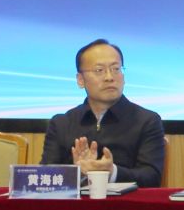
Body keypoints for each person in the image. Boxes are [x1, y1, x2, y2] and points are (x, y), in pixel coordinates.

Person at [40, 38, 164, 187]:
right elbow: (43, 177)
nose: (109, 77)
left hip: (126, 201)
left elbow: (152, 177)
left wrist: (112, 172)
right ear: (80, 80)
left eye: (116, 69)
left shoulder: (147, 121)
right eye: (99, 70)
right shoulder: (61, 123)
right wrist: (78, 173)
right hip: (75, 202)